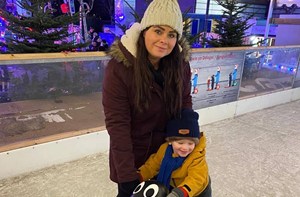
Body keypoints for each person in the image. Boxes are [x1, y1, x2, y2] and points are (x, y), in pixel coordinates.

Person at [102, 0, 192, 196]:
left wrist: (188, 137)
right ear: (144, 31)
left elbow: (185, 103)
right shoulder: (119, 69)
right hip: (133, 160)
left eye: (171, 34)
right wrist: (127, 176)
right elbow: (118, 125)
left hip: (168, 155)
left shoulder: (180, 65)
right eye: (158, 31)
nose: (164, 40)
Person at [138, 109, 211, 197]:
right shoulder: (164, 149)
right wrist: (139, 176)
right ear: (170, 141)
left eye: (190, 143)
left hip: (197, 191)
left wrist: (180, 193)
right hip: (175, 186)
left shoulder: (197, 156)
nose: (185, 148)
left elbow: (196, 179)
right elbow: (153, 165)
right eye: (180, 143)